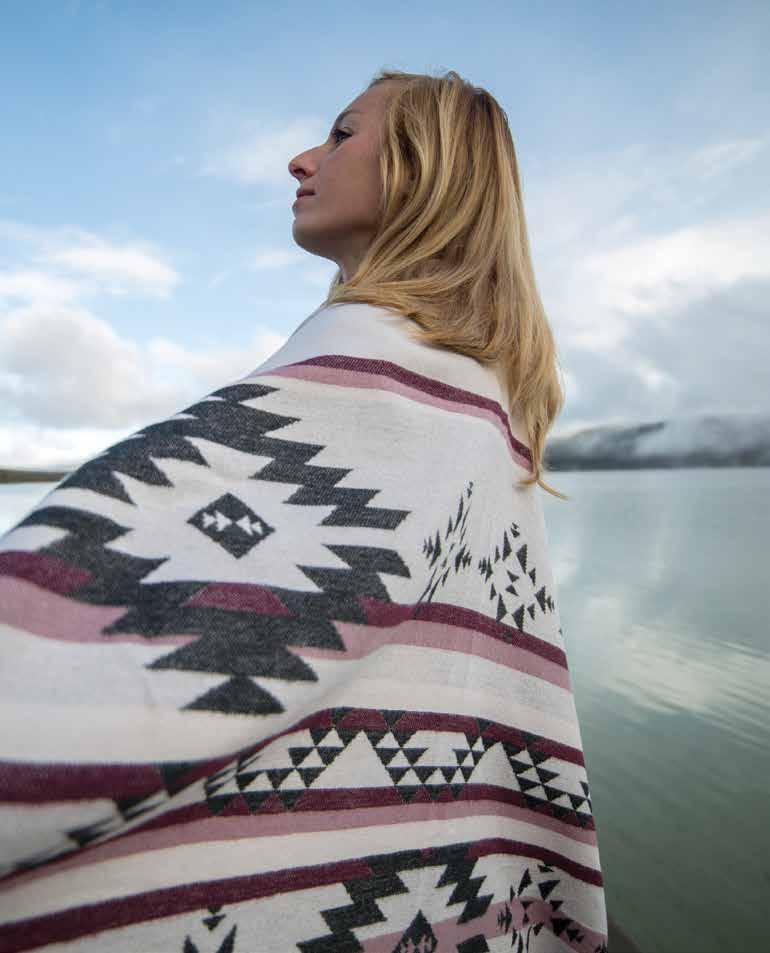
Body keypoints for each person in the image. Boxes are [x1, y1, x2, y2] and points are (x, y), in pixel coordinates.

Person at [0, 69, 609, 952]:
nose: (301, 158)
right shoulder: (486, 409)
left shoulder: (378, 392)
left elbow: (58, 633)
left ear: (421, 166)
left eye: (341, 134)